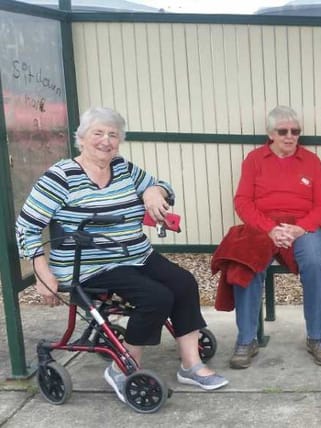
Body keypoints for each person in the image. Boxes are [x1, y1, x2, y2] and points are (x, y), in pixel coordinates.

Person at [15, 107, 229, 404]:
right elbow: (26, 226)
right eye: (98, 133)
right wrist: (42, 271)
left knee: (183, 282)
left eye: (113, 135)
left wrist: (154, 192)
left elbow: (164, 187)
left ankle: (191, 365)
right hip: (89, 266)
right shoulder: (60, 177)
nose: (106, 141)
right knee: (156, 297)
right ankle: (121, 369)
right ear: (82, 138)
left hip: (136, 253)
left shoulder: (123, 168)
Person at [225, 105, 321, 368]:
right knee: (245, 264)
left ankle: (317, 337)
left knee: (316, 263)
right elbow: (242, 201)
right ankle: (247, 339)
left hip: (302, 227)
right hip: (263, 226)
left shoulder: (311, 161)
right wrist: (270, 229)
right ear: (270, 133)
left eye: (295, 131)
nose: (289, 136)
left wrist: (300, 228)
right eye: (282, 131)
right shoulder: (254, 160)